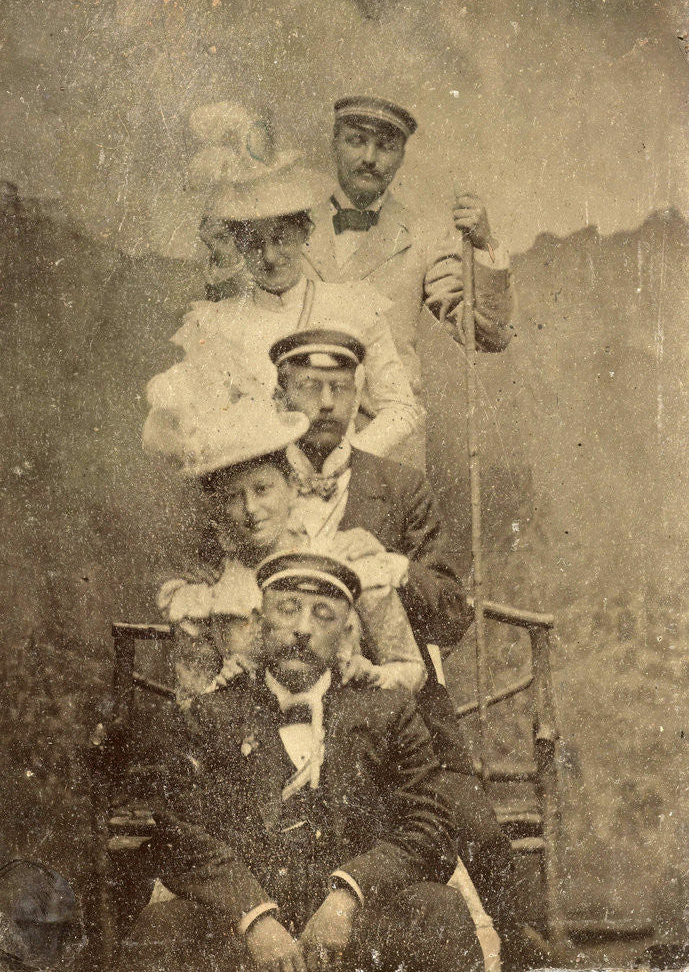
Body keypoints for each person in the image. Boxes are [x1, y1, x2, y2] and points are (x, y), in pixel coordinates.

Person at [271, 327, 529, 965]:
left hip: (403, 718)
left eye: (342, 388)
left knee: (478, 829)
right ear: (281, 395)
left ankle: (531, 951)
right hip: (281, 708)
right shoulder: (255, 486)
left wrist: (397, 566)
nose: (328, 403)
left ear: (361, 396)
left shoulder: (400, 486)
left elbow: (451, 616)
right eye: (310, 387)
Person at [117, 551, 485, 972]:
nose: (303, 629)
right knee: (161, 927)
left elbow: (430, 825)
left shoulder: (387, 711)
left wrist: (349, 893)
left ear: (347, 633)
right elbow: (179, 832)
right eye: (288, 609)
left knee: (438, 909)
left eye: (323, 615)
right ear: (259, 621)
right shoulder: (212, 714)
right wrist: (253, 916)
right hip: (244, 930)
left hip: (356, 926)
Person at [202, 96, 514, 466]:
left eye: (385, 146)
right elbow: (236, 313)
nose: (369, 157)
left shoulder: (424, 235)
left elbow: (488, 335)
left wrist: (485, 248)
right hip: (288, 440)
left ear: (401, 155)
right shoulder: (285, 220)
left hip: (387, 446)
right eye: (356, 141)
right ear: (334, 142)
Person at [143, 375, 426, 701]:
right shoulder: (205, 594)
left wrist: (372, 675)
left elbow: (410, 669)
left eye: (263, 489)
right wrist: (221, 688)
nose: (250, 508)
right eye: (234, 497)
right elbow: (193, 707)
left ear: (292, 485)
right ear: (218, 507)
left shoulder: (347, 560)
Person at [163, 109, 422, 459]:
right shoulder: (215, 323)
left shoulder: (353, 306)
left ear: (305, 232)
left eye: (282, 238)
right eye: (254, 243)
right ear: (237, 244)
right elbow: (206, 423)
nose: (270, 256)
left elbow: (402, 408)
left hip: (338, 488)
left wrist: (345, 461)